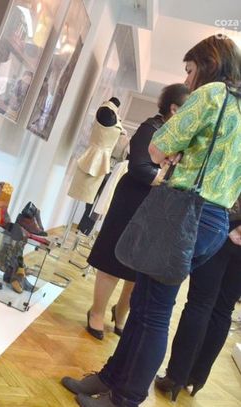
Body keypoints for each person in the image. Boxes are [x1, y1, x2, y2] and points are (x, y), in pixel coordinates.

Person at [61, 34, 241, 407]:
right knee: (145, 301)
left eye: (190, 70)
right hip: (214, 220)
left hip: (184, 212)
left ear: (208, 65)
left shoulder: (211, 95)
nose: (187, 80)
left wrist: (174, 153)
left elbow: (157, 149)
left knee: (153, 309)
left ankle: (125, 397)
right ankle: (111, 378)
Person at [85, 84, 190, 340]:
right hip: (131, 200)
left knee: (137, 265)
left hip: (156, 206)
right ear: (174, 109)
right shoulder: (150, 128)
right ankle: (96, 312)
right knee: (112, 258)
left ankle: (121, 312)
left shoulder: (180, 137)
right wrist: (167, 179)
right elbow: (140, 168)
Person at [155, 193, 241, 400]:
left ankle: (176, 376)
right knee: (223, 309)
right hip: (228, 223)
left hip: (227, 220)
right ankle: (196, 377)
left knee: (200, 302)